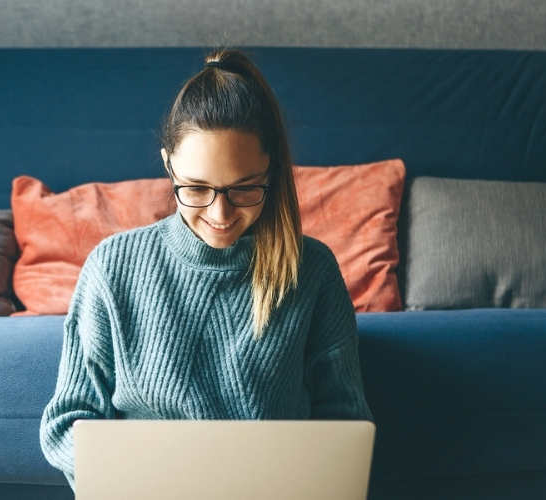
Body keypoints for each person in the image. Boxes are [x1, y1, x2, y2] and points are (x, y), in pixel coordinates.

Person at [40, 48, 373, 490]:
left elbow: (344, 424)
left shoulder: (310, 271)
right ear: (168, 166)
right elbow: (66, 422)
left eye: (243, 189)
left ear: (270, 173)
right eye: (196, 188)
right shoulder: (112, 267)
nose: (220, 213)